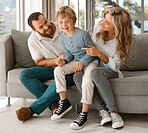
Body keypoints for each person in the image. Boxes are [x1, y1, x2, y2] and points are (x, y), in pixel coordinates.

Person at [74, 7, 133, 129]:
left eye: (107, 23)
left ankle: (114, 112)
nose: (102, 23)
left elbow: (115, 65)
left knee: (96, 73)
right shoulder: (98, 29)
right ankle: (103, 111)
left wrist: (100, 54)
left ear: (117, 27)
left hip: (110, 70)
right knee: (78, 75)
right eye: (103, 19)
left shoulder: (120, 41)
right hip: (94, 65)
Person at [15, 12, 74, 121]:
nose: (46, 26)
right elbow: (39, 61)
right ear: (34, 30)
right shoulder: (32, 40)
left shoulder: (63, 26)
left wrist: (66, 59)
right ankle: (53, 105)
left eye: (45, 22)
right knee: (25, 75)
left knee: (61, 77)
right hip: (52, 67)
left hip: (70, 68)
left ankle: (32, 109)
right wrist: (57, 60)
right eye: (41, 27)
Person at [50, 6, 98, 129]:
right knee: (58, 70)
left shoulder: (83, 34)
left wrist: (82, 62)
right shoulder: (62, 37)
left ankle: (84, 114)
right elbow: (69, 54)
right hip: (75, 61)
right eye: (61, 22)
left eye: (67, 21)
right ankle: (64, 102)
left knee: (87, 80)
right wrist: (64, 60)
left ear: (74, 21)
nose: (64, 25)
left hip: (91, 61)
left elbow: (92, 51)